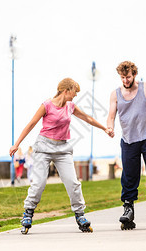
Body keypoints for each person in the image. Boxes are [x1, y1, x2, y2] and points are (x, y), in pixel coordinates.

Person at [9, 78, 114, 234]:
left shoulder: (70, 106)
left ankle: (80, 215)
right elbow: (31, 124)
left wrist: (104, 128)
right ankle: (28, 212)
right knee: (39, 183)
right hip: (43, 148)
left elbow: (87, 118)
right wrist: (16, 144)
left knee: (73, 182)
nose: (75, 96)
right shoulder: (46, 105)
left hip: (63, 149)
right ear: (66, 91)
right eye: (74, 92)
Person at [106, 61, 146, 230]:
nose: (125, 81)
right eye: (122, 78)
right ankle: (128, 209)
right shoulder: (115, 94)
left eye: (128, 77)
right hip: (128, 140)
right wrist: (110, 127)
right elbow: (111, 115)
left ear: (134, 74)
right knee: (129, 176)